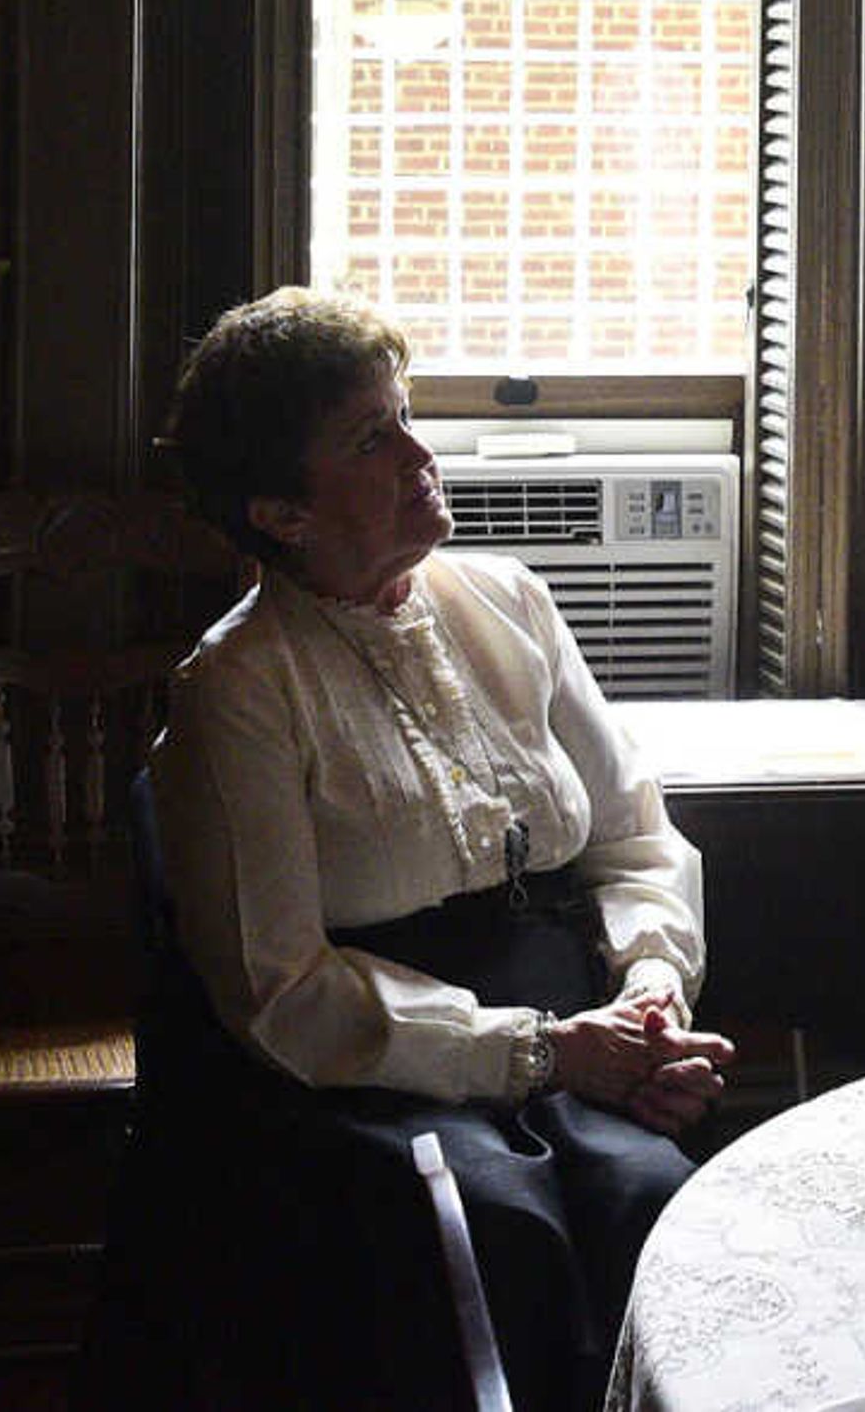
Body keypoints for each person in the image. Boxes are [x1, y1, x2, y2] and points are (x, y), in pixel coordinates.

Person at [118, 287, 734, 1412]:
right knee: (489, 1231)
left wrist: (650, 997)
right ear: (280, 511)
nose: (418, 452)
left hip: (573, 1033)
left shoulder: (510, 598)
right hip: (372, 1082)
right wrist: (544, 1052)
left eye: (406, 415)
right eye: (370, 437)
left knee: (663, 1198)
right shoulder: (239, 686)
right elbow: (283, 991)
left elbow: (633, 836)